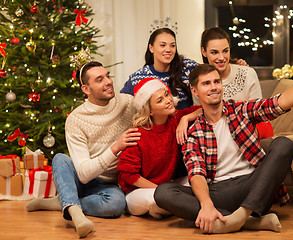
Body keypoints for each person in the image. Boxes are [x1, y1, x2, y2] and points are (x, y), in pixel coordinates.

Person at [154, 62, 293, 234]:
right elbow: (196, 172)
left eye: (216, 82)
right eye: (206, 84)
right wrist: (207, 204)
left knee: (284, 143)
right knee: (163, 192)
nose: (213, 87)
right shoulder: (193, 132)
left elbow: (279, 103)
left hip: (253, 186)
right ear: (195, 91)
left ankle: (241, 216)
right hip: (218, 192)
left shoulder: (241, 110)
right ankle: (250, 222)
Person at [25, 61, 140, 238]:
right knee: (61, 159)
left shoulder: (128, 103)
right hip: (82, 178)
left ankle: (65, 202)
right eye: (99, 80)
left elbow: (155, 109)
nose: (108, 82)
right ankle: (77, 216)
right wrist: (116, 147)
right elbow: (84, 174)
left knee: (117, 205)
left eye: (107, 76)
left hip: (108, 184)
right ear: (86, 89)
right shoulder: (76, 119)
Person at [117, 77, 202, 219]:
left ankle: (165, 208)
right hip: (138, 192)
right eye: (160, 100)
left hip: (166, 186)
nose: (168, 100)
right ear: (149, 111)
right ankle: (164, 207)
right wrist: (162, 191)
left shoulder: (175, 119)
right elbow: (128, 175)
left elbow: (203, 109)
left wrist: (185, 119)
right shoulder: (138, 134)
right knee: (158, 199)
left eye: (166, 95)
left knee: (199, 181)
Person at [120, 28, 198, 109]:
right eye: (163, 45)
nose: (168, 50)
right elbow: (122, 104)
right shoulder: (139, 77)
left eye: (172, 45)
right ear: (151, 48)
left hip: (188, 119)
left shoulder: (188, 67)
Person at [193, 27, 261, 105]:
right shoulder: (198, 80)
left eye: (225, 51)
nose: (221, 58)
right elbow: (199, 113)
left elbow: (258, 112)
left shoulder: (248, 74)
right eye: (215, 52)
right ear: (204, 52)